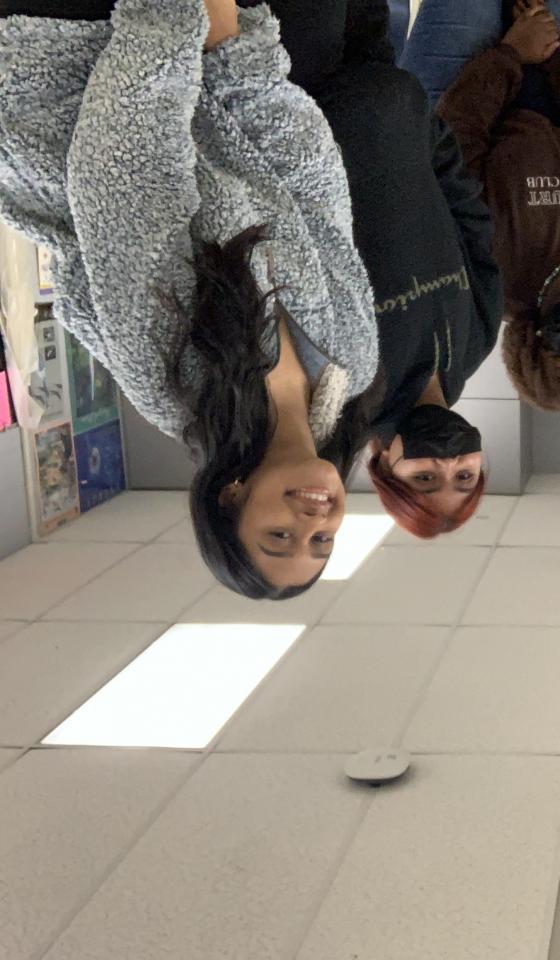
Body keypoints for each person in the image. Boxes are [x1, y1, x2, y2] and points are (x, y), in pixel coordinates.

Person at [0, 0, 379, 598]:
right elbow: (315, 183)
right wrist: (237, 56)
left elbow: (125, 165)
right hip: (188, 54)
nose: (312, 523)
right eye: (322, 542)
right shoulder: (350, 363)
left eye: (279, 536)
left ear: (231, 497)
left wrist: (180, 15)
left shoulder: (177, 382)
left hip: (60, 67)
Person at [258, 0, 504, 540]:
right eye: (464, 475)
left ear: (384, 465)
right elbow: (470, 219)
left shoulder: (344, 387)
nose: (448, 461)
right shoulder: (476, 344)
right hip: (386, 78)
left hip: (305, 88)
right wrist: (425, 126)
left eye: (425, 477)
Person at [402, 0, 560, 412]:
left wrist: (511, 53)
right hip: (554, 78)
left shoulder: (494, 283)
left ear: (533, 348)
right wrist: (552, 57)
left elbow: (458, 139)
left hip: (462, 88)